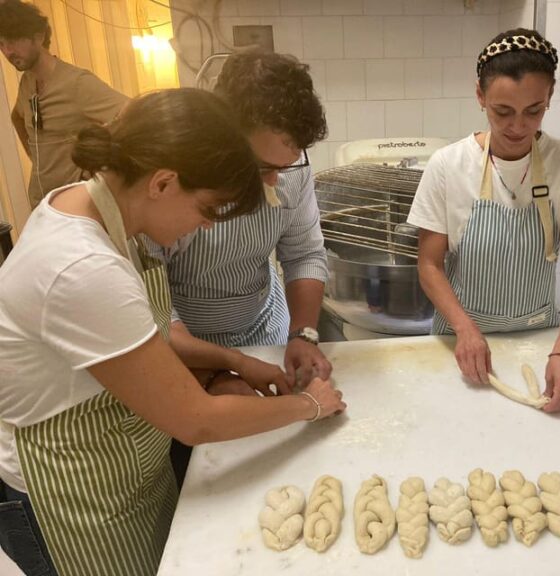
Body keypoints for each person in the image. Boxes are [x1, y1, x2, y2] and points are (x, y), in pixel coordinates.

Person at [0, 88, 346, 576]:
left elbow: (149, 340)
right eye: (207, 209)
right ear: (163, 183)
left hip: (122, 469)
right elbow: (196, 419)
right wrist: (311, 406)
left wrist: (238, 361)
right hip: (73, 496)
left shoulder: (99, 213)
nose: (205, 228)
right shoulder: (81, 265)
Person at [407, 29, 560, 414]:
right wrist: (465, 329)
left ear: (550, 96)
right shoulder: (448, 165)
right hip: (460, 342)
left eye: (534, 110)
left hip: (540, 337)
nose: (517, 127)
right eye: (502, 112)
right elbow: (429, 264)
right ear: (480, 95)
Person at [153, 49, 331, 391]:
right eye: (262, 167)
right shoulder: (174, 186)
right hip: (185, 347)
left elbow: (304, 254)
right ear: (223, 135)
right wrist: (215, 374)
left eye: (284, 167)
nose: (274, 182)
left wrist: (303, 335)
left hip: (264, 332)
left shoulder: (288, 171)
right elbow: (157, 317)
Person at [0, 0, 128, 209]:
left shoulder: (77, 82)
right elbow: (17, 117)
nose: (7, 52)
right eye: (2, 44)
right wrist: (39, 161)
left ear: (38, 36)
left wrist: (99, 164)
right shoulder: (27, 83)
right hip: (42, 205)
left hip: (78, 209)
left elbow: (133, 115)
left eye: (13, 40)